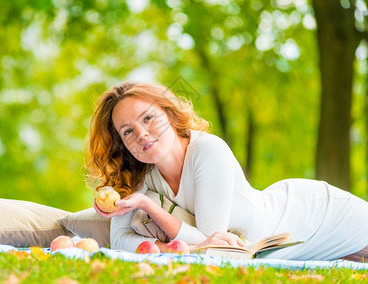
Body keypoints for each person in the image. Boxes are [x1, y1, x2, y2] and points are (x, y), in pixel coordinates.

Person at [86, 81, 368, 261]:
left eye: (148, 117)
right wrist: (177, 249)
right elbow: (121, 240)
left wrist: (150, 206)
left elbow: (216, 245)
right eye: (128, 131)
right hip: (288, 245)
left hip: (319, 215)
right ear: (122, 143)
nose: (142, 134)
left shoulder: (207, 150)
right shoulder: (136, 173)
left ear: (169, 114)